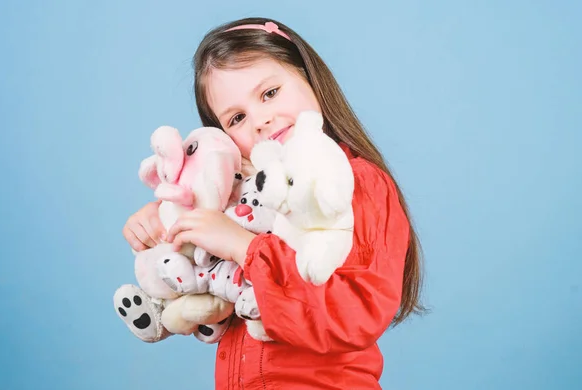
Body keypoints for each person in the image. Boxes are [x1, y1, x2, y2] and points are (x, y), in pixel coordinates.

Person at [122, 17, 425, 390]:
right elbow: (205, 280)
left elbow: (357, 313)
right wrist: (166, 220)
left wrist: (243, 246)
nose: (261, 120)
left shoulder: (353, 183)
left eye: (269, 93)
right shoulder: (244, 200)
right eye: (236, 118)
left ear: (308, 76)